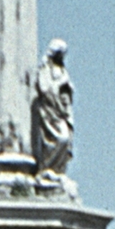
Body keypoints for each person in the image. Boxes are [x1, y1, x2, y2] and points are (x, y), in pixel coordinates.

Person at [32, 40, 74, 176]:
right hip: (49, 113)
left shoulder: (62, 70)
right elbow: (44, 88)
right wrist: (59, 85)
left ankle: (57, 169)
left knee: (65, 139)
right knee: (60, 139)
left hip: (62, 112)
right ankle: (47, 167)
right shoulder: (45, 70)